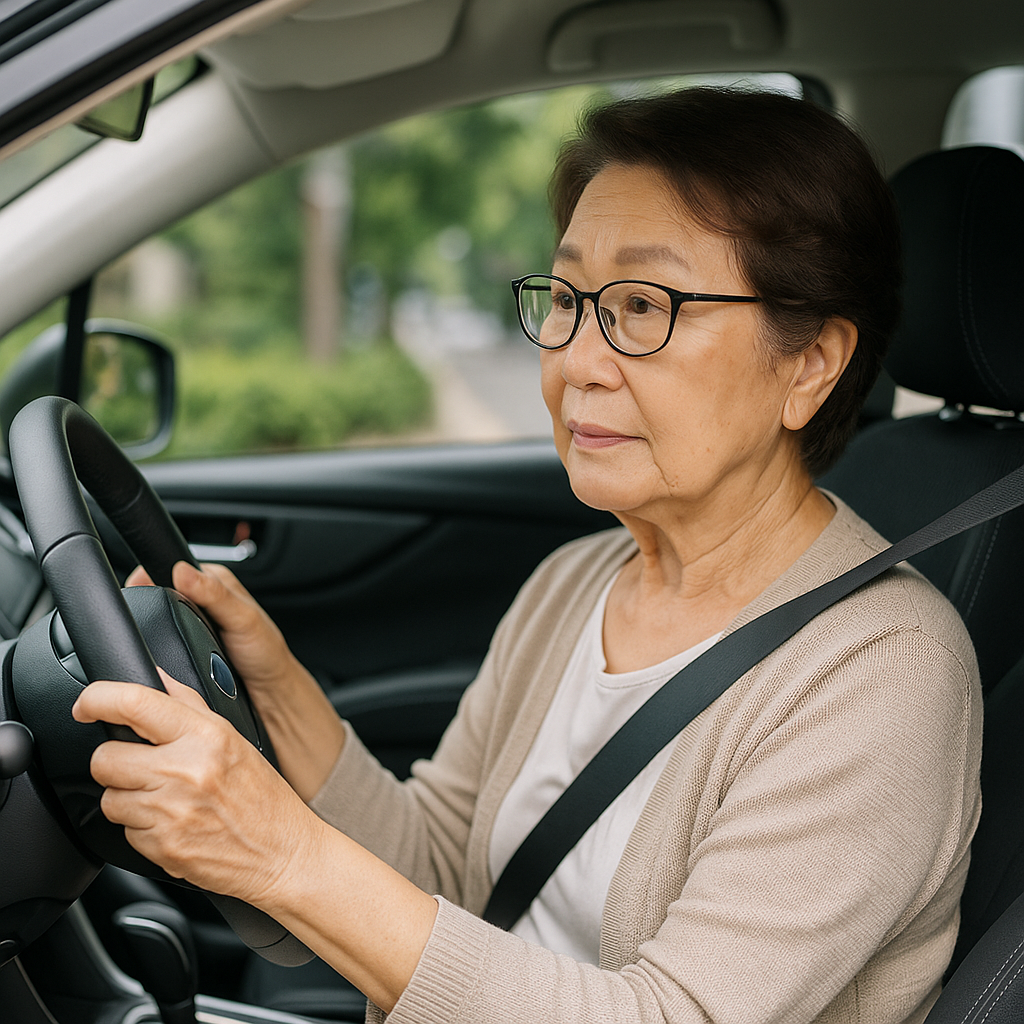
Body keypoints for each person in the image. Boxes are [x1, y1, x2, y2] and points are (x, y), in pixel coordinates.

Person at [72, 88, 981, 1024]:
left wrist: (280, 854)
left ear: (811, 363)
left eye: (641, 304)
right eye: (569, 298)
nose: (576, 357)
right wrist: (278, 695)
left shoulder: (882, 672)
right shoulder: (573, 583)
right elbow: (442, 876)